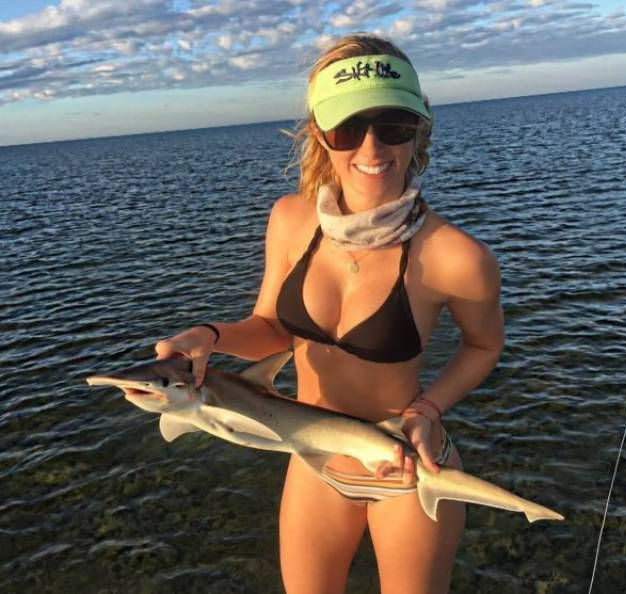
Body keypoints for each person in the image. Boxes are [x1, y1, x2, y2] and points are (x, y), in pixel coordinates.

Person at [155, 34, 504, 594]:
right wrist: (210, 335)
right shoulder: (290, 220)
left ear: (419, 127)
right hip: (315, 463)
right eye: (348, 127)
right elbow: (272, 328)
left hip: (408, 467)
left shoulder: (457, 257)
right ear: (320, 131)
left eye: (393, 124)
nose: (372, 147)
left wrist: (429, 407)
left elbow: (484, 345)